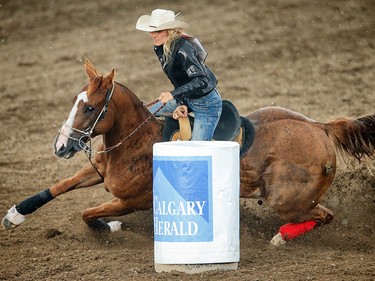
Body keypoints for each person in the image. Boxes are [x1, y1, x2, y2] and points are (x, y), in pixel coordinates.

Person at [136, 9, 222, 141]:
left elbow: (201, 80)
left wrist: (173, 95)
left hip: (206, 104)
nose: (153, 35)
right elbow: (178, 79)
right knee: (143, 113)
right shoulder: (159, 47)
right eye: (151, 31)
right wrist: (182, 103)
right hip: (186, 97)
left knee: (197, 151)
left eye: (158, 31)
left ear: (169, 31)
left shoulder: (183, 48)